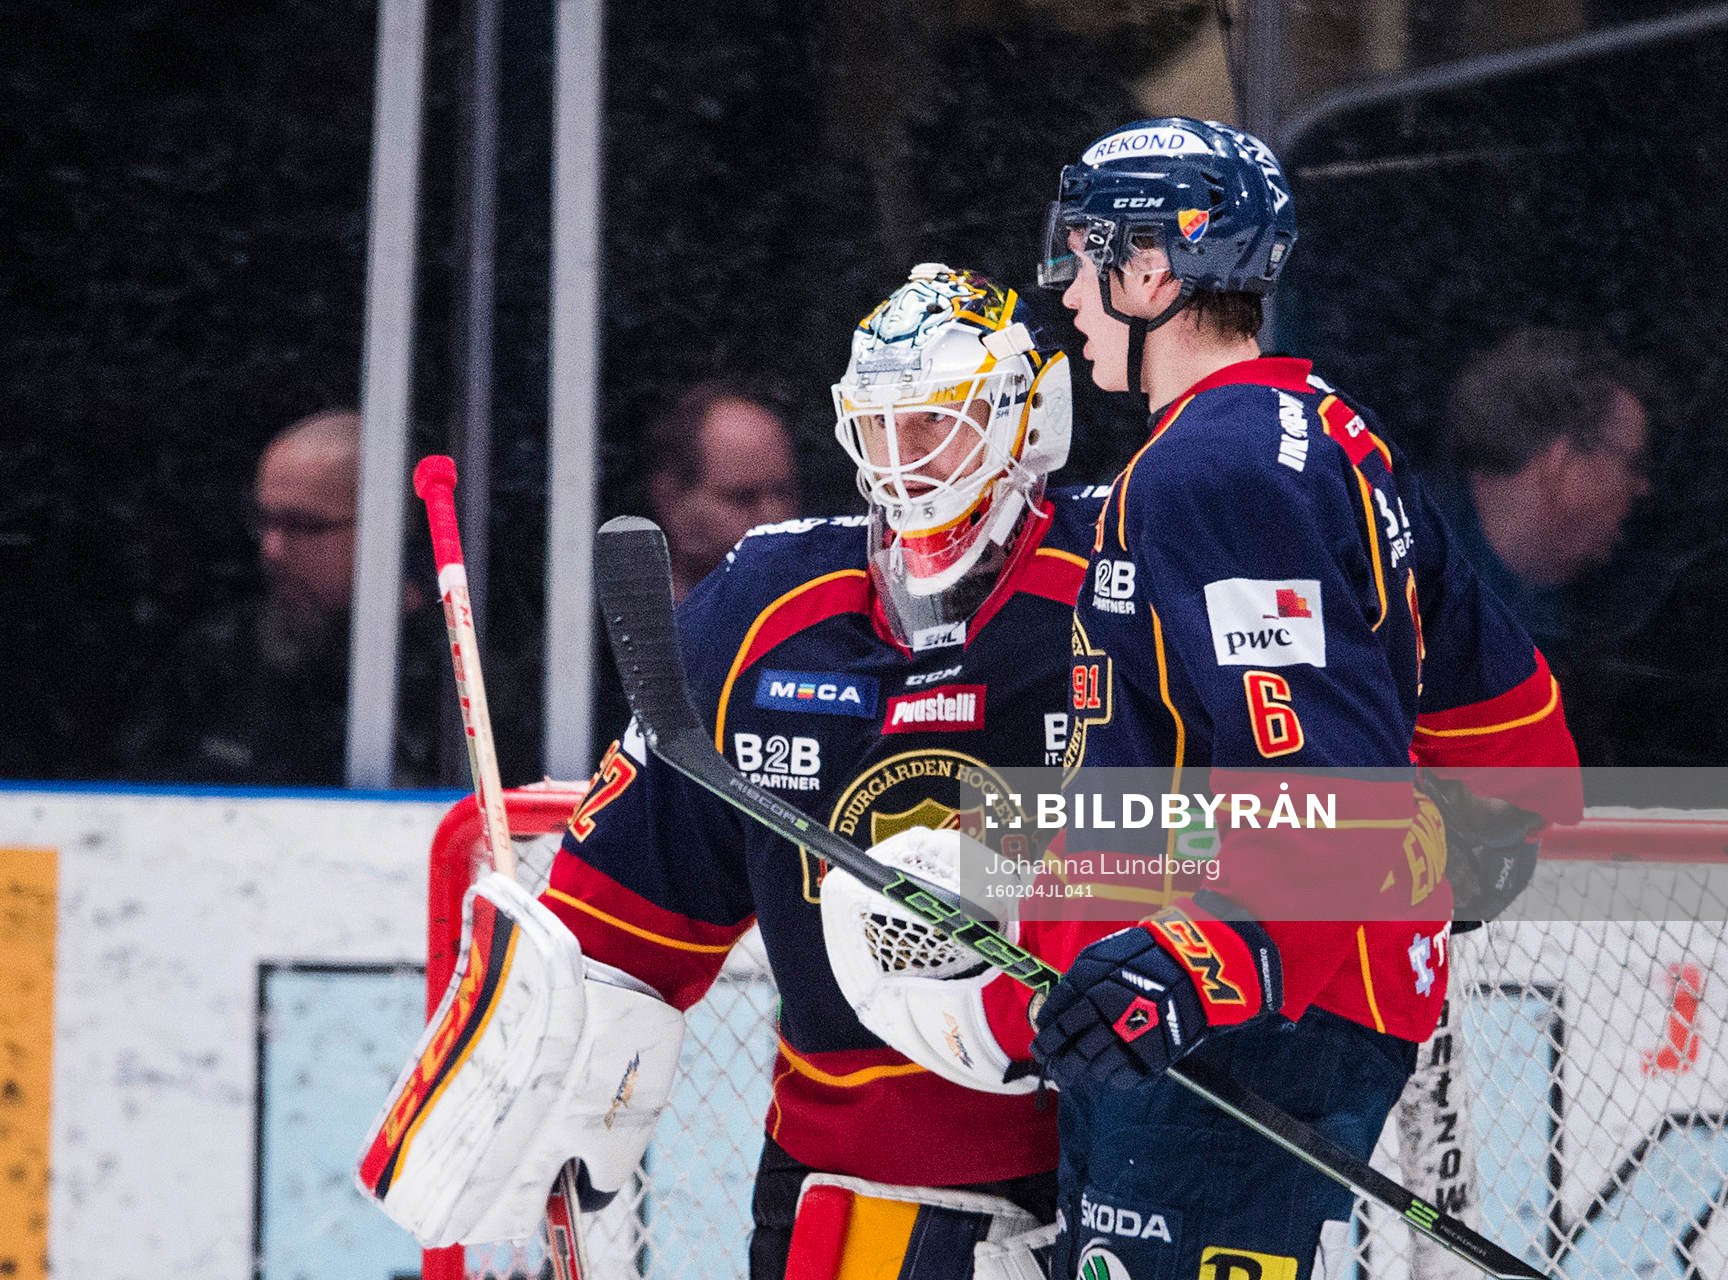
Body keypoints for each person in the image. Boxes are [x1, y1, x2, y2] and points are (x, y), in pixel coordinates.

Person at [366, 254, 1578, 1280]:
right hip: (864, 1181)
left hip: (1122, 1136)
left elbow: (1323, 796)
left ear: (1025, 424)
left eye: (940, 424)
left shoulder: (1135, 560)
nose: (909, 461)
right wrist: (575, 1109)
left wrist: (1202, 941)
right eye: (882, 426)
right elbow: (611, 927)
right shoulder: (763, 604)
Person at [825, 120, 1581, 1280]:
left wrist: (1190, 958)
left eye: (1081, 257)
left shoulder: (1208, 468)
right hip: (1258, 1011)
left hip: (1243, 1032)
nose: (1062, 289)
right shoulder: (1331, 433)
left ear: (1151, 272)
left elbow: (1328, 800)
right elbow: (1515, 752)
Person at [116, 410, 438, 785]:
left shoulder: (459, 684)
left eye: (302, 525)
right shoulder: (219, 656)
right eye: (263, 521)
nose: (271, 550)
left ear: (385, 528)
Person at [1436, 326, 1653, 661]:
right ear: (1563, 464)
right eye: (1633, 464)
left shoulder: (1578, 620)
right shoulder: (1403, 573)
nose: (1643, 488)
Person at [644, 383, 801, 600]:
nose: (774, 519)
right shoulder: (599, 621)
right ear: (671, 501)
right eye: (743, 498)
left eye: (784, 493)